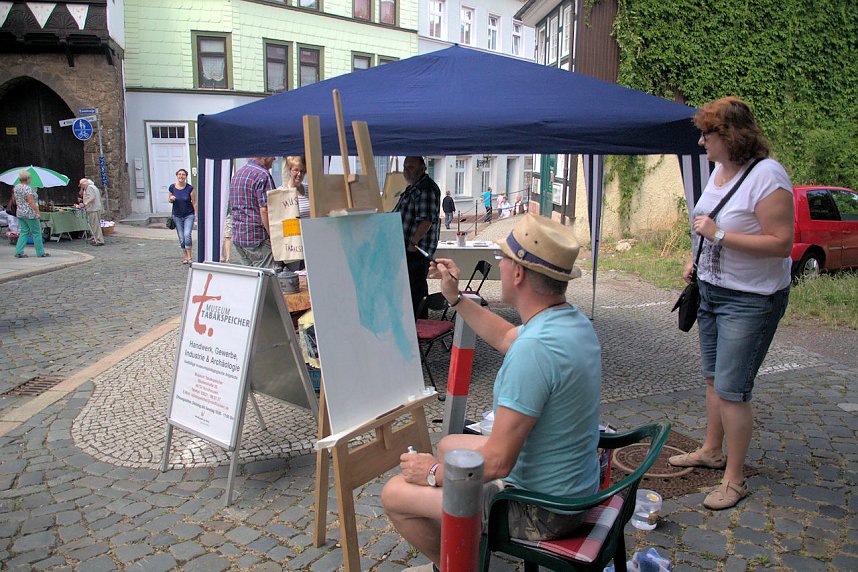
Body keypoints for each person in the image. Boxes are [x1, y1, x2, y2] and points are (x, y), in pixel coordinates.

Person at [381, 214, 601, 570]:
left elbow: (499, 462)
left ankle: (456, 566)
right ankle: (464, 540)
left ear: (518, 274)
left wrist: (433, 473)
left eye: (504, 257)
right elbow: (505, 337)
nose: (499, 262)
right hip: (573, 486)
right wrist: (455, 298)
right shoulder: (570, 322)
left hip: (542, 510)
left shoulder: (535, 351)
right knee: (451, 443)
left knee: (394, 494)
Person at [667, 97, 793, 510]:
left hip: (751, 299)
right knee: (712, 379)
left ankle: (734, 479)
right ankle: (711, 449)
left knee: (733, 390)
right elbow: (705, 224)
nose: (702, 142)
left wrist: (719, 236)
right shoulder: (720, 170)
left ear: (732, 136)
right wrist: (696, 256)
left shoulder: (768, 177)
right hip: (711, 290)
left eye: (708, 134)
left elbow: (781, 244)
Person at [392, 156, 441, 319]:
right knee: (410, 290)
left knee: (416, 292)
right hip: (406, 249)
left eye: (411, 167)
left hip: (415, 251)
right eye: (405, 167)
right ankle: (413, 327)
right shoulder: (413, 187)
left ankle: (418, 330)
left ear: (423, 168)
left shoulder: (425, 188)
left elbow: (426, 220)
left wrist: (414, 242)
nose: (407, 171)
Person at [229, 157, 277, 269]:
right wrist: (274, 236)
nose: (274, 158)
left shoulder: (238, 174)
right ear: (265, 156)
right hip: (257, 238)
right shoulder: (263, 175)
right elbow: (265, 209)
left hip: (239, 237)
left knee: (251, 281)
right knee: (267, 280)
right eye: (272, 156)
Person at [13, 170, 49, 258]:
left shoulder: (16, 187)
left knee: (24, 232)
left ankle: (19, 251)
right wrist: (37, 211)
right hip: (30, 213)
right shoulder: (28, 188)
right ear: (27, 179)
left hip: (20, 212)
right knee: (36, 232)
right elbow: (31, 202)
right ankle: (40, 252)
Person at [283, 156, 309, 271]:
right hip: (293, 245)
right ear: (289, 170)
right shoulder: (282, 193)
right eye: (296, 170)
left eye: (302, 171)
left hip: (310, 241)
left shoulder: (309, 190)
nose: (299, 174)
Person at [168, 169, 196, 264]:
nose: (181, 176)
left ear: (186, 176)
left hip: (189, 214)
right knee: (181, 237)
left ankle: (190, 256)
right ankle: (185, 256)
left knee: (187, 234)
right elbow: (169, 199)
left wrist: (196, 215)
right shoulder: (172, 187)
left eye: (183, 174)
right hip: (177, 215)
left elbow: (194, 202)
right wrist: (171, 199)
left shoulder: (190, 188)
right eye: (179, 174)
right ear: (177, 176)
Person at [77, 178, 104, 246]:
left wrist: (85, 203)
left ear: (83, 184)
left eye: (81, 185)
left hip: (93, 209)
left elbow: (92, 197)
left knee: (95, 225)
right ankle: (95, 239)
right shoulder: (92, 187)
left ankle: (99, 240)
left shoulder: (89, 188)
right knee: (95, 225)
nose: (81, 187)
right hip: (95, 209)